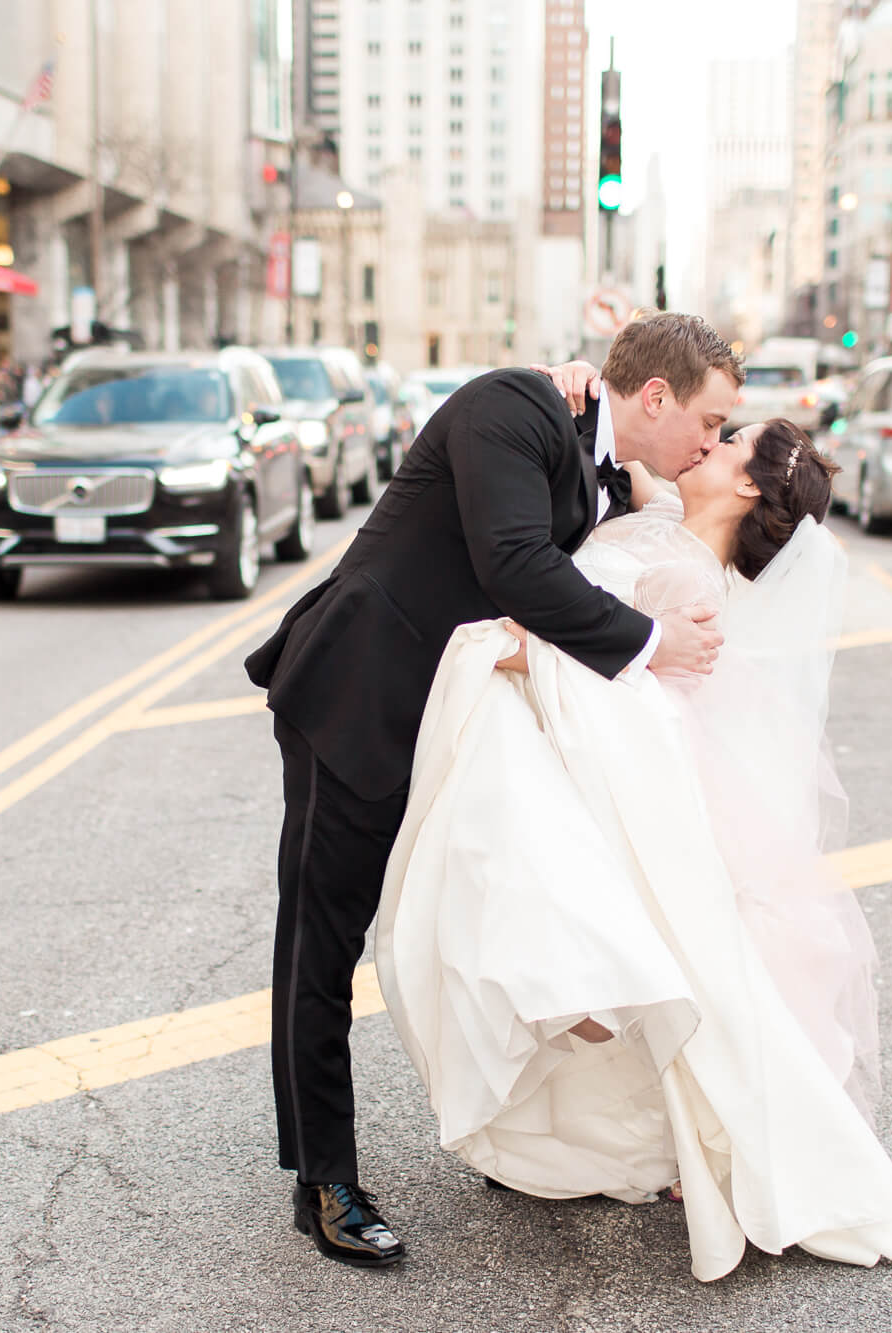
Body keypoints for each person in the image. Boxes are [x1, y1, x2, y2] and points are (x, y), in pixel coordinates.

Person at [243, 312, 738, 1268]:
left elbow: (587, 527)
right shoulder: (512, 406)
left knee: (498, 936)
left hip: (462, 727)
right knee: (321, 935)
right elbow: (516, 561)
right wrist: (649, 645)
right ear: (657, 396)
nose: (711, 444)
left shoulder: (607, 457)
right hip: (364, 692)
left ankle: (516, 1144)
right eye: (709, 422)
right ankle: (325, 1179)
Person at [376, 410, 892, 1282]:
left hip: (597, 774)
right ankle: (613, 1122)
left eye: (730, 440)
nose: (710, 443)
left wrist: (492, 648)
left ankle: (644, 1120)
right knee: (578, 949)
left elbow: (606, 677)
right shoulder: (661, 522)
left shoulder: (685, 583)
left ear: (747, 485)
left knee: (564, 945)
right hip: (582, 772)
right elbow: (626, 442)